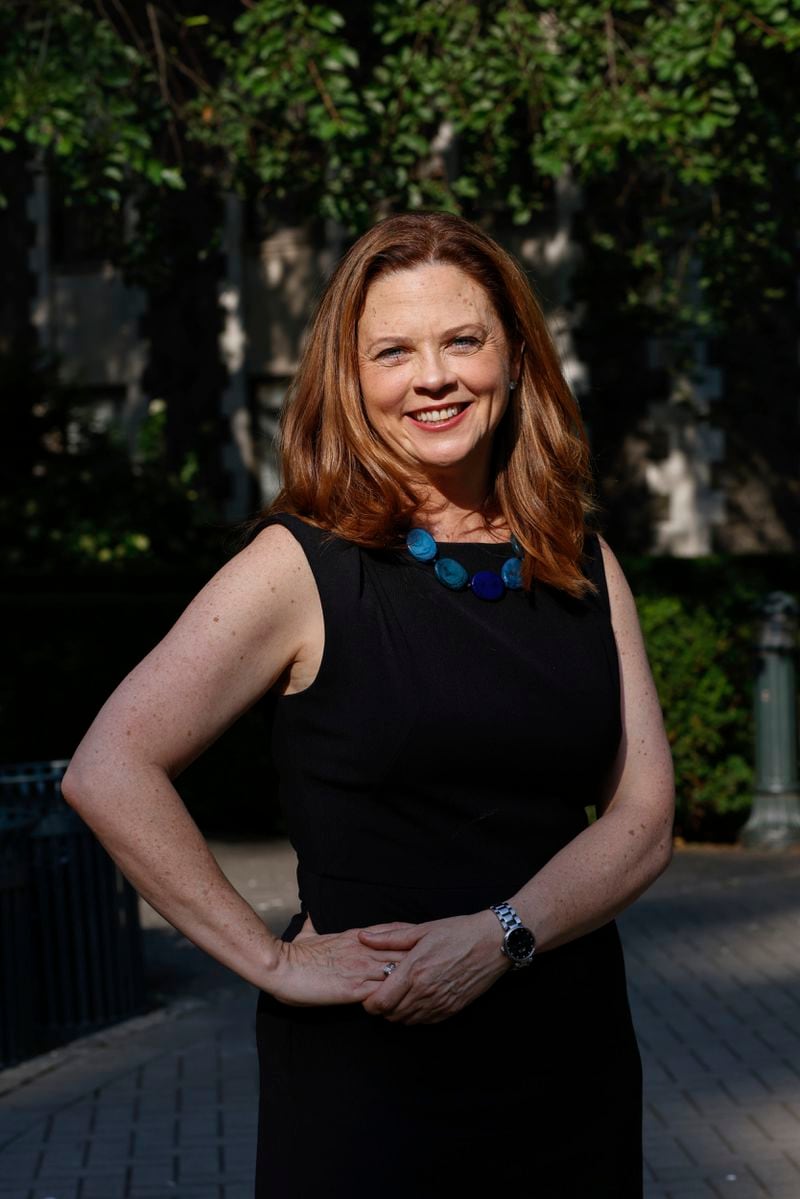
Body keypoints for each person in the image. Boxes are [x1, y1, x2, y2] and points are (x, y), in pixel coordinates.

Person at [62, 212, 674, 1197]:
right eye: (392, 351)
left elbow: (642, 822)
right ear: (351, 382)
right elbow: (108, 767)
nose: (430, 377)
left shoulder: (580, 561)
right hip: (376, 1078)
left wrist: (500, 933)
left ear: (514, 359)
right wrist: (270, 958)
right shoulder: (299, 565)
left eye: (460, 341)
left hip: (568, 1059)